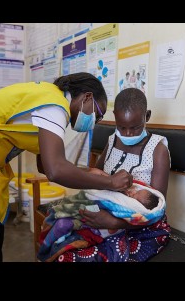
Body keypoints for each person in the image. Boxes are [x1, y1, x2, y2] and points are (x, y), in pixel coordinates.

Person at [0, 72, 133, 262]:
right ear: (87, 97)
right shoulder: (55, 106)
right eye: (97, 114)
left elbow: (45, 164)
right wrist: (110, 181)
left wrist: (89, 172)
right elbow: (55, 170)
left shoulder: (49, 98)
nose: (94, 122)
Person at [57, 87, 171, 262]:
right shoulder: (112, 140)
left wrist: (114, 223)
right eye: (121, 126)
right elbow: (96, 177)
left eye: (134, 127)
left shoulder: (158, 150)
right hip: (103, 214)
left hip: (139, 228)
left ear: (146, 117)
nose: (127, 133)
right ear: (115, 117)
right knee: (61, 236)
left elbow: (156, 208)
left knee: (75, 257)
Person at [37, 181, 165, 262]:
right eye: (135, 192)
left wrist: (113, 222)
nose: (132, 194)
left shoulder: (158, 151)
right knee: (62, 220)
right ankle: (48, 245)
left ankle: (51, 250)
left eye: (135, 196)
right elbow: (94, 183)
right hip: (94, 208)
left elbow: (151, 213)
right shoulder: (111, 143)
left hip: (124, 228)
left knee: (65, 256)